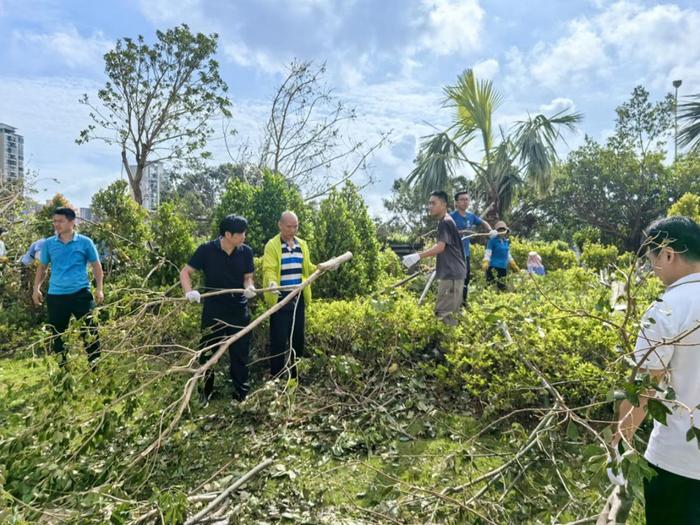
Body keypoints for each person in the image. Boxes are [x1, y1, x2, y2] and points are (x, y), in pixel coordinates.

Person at [612, 216, 700, 524]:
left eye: (652, 261)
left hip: (679, 462)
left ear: (668, 254)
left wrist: (618, 442)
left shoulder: (667, 308)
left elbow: (643, 389)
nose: (653, 271)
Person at [180, 215, 256, 405]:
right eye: (241, 234)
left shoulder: (246, 252)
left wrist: (249, 287)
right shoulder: (206, 250)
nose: (244, 237)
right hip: (214, 310)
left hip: (238, 309)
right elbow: (185, 272)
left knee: (240, 353)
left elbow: (248, 277)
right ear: (228, 234)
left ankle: (241, 394)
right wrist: (189, 292)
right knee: (208, 352)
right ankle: (205, 393)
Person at [33, 208, 103, 367]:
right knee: (58, 334)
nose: (56, 224)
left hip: (81, 294)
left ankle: (95, 367)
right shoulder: (49, 243)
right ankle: (63, 371)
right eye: (54, 221)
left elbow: (96, 267)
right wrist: (36, 288)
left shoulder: (85, 242)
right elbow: (42, 268)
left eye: (60, 221)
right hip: (56, 296)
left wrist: (99, 289)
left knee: (90, 331)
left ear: (72, 222)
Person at [262, 211, 317, 380]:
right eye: (289, 226)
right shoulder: (272, 245)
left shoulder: (302, 244)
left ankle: (295, 375)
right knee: (278, 340)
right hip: (280, 297)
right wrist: (272, 283)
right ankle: (276, 376)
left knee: (297, 337)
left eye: (295, 226)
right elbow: (269, 269)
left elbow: (307, 267)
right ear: (280, 225)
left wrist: (323, 267)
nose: (292, 230)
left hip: (298, 296)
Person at [402, 191, 466, 326]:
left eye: (433, 203)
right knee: (449, 312)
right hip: (453, 274)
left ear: (443, 205)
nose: (429, 206)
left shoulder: (445, 222)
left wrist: (418, 255)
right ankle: (447, 344)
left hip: (452, 275)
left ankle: (445, 346)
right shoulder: (447, 221)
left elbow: (440, 247)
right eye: (429, 203)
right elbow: (447, 249)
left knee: (444, 313)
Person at [449, 191, 495, 305]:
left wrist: (490, 230)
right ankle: (451, 303)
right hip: (454, 254)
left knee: (466, 278)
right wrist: (461, 232)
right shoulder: (450, 217)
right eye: (462, 199)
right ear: (456, 202)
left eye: (467, 199)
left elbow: (483, 222)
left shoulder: (471, 216)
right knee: (454, 279)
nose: (465, 202)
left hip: (466, 254)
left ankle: (463, 302)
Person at [482, 220, 519, 291]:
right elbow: (488, 252)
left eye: (503, 229)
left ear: (505, 231)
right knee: (489, 286)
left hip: (503, 268)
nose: (502, 231)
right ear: (497, 231)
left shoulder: (506, 242)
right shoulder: (492, 241)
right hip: (493, 267)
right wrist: (485, 261)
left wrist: (513, 264)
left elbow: (508, 254)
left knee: (502, 286)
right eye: (500, 229)